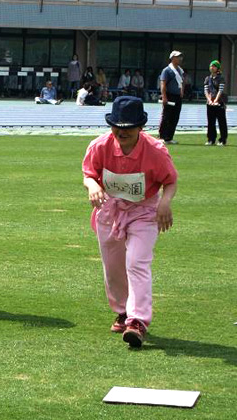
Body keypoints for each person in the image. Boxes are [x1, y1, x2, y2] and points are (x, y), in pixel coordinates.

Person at [82, 96, 178, 348]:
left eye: (128, 127)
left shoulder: (155, 151)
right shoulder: (99, 146)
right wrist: (92, 185)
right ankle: (123, 311)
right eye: (117, 126)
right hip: (109, 210)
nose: (121, 132)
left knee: (137, 262)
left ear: (140, 127)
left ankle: (138, 321)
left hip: (144, 212)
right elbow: (89, 173)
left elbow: (170, 180)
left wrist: (165, 203)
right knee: (112, 266)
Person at [159, 51, 184, 145]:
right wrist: (164, 96)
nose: (180, 59)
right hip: (169, 95)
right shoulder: (167, 70)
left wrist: (181, 91)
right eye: (177, 57)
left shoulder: (180, 70)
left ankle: (169, 137)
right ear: (172, 58)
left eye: (180, 57)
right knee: (166, 116)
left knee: (175, 117)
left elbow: (181, 82)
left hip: (177, 96)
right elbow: (163, 83)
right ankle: (162, 136)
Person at [204, 60, 228, 146]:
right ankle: (211, 139)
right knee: (210, 122)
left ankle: (223, 140)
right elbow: (206, 90)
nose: (212, 68)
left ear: (217, 68)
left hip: (219, 103)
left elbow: (220, 90)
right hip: (210, 103)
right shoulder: (207, 78)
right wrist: (209, 100)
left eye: (214, 66)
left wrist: (216, 100)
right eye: (211, 66)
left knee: (221, 122)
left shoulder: (221, 78)